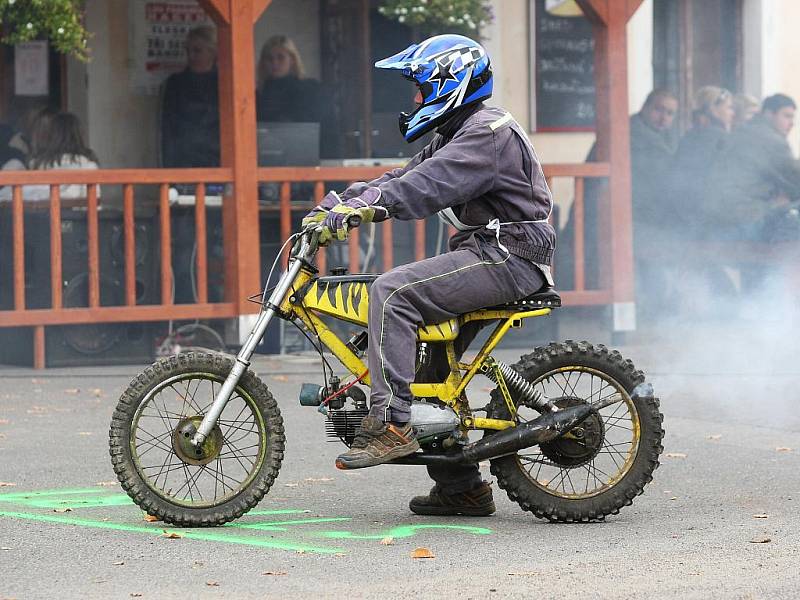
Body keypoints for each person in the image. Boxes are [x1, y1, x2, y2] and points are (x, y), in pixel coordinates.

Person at [302, 34, 555, 516]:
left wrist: (371, 209)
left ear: (448, 83)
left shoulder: (486, 134)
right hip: (488, 254)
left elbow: (425, 187)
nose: (415, 100)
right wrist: (343, 202)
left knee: (392, 293)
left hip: (509, 256)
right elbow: (401, 178)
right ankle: (462, 488)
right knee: (429, 370)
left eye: (419, 89)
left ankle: (391, 424)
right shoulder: (457, 131)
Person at [556, 89, 678, 291]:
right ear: (646, 107)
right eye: (659, 109)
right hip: (606, 211)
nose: (664, 117)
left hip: (639, 214)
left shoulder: (666, 138)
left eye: (670, 113)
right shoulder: (626, 133)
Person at [706, 93, 800, 241]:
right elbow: (795, 180)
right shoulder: (771, 140)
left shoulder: (741, 132)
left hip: (715, 217)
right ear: (769, 114)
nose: (792, 123)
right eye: (786, 116)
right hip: (746, 219)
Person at [0, 111, 99, 202]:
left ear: (51, 137)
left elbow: (9, 196)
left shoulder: (38, 165)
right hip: (80, 220)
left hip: (42, 219)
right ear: (80, 136)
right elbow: (96, 202)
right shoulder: (90, 166)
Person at [160, 26, 220, 168]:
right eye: (188, 51)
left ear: (212, 52)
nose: (191, 56)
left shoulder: (225, 84)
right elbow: (167, 129)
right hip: (183, 159)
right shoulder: (175, 83)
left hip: (217, 159)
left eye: (197, 51)